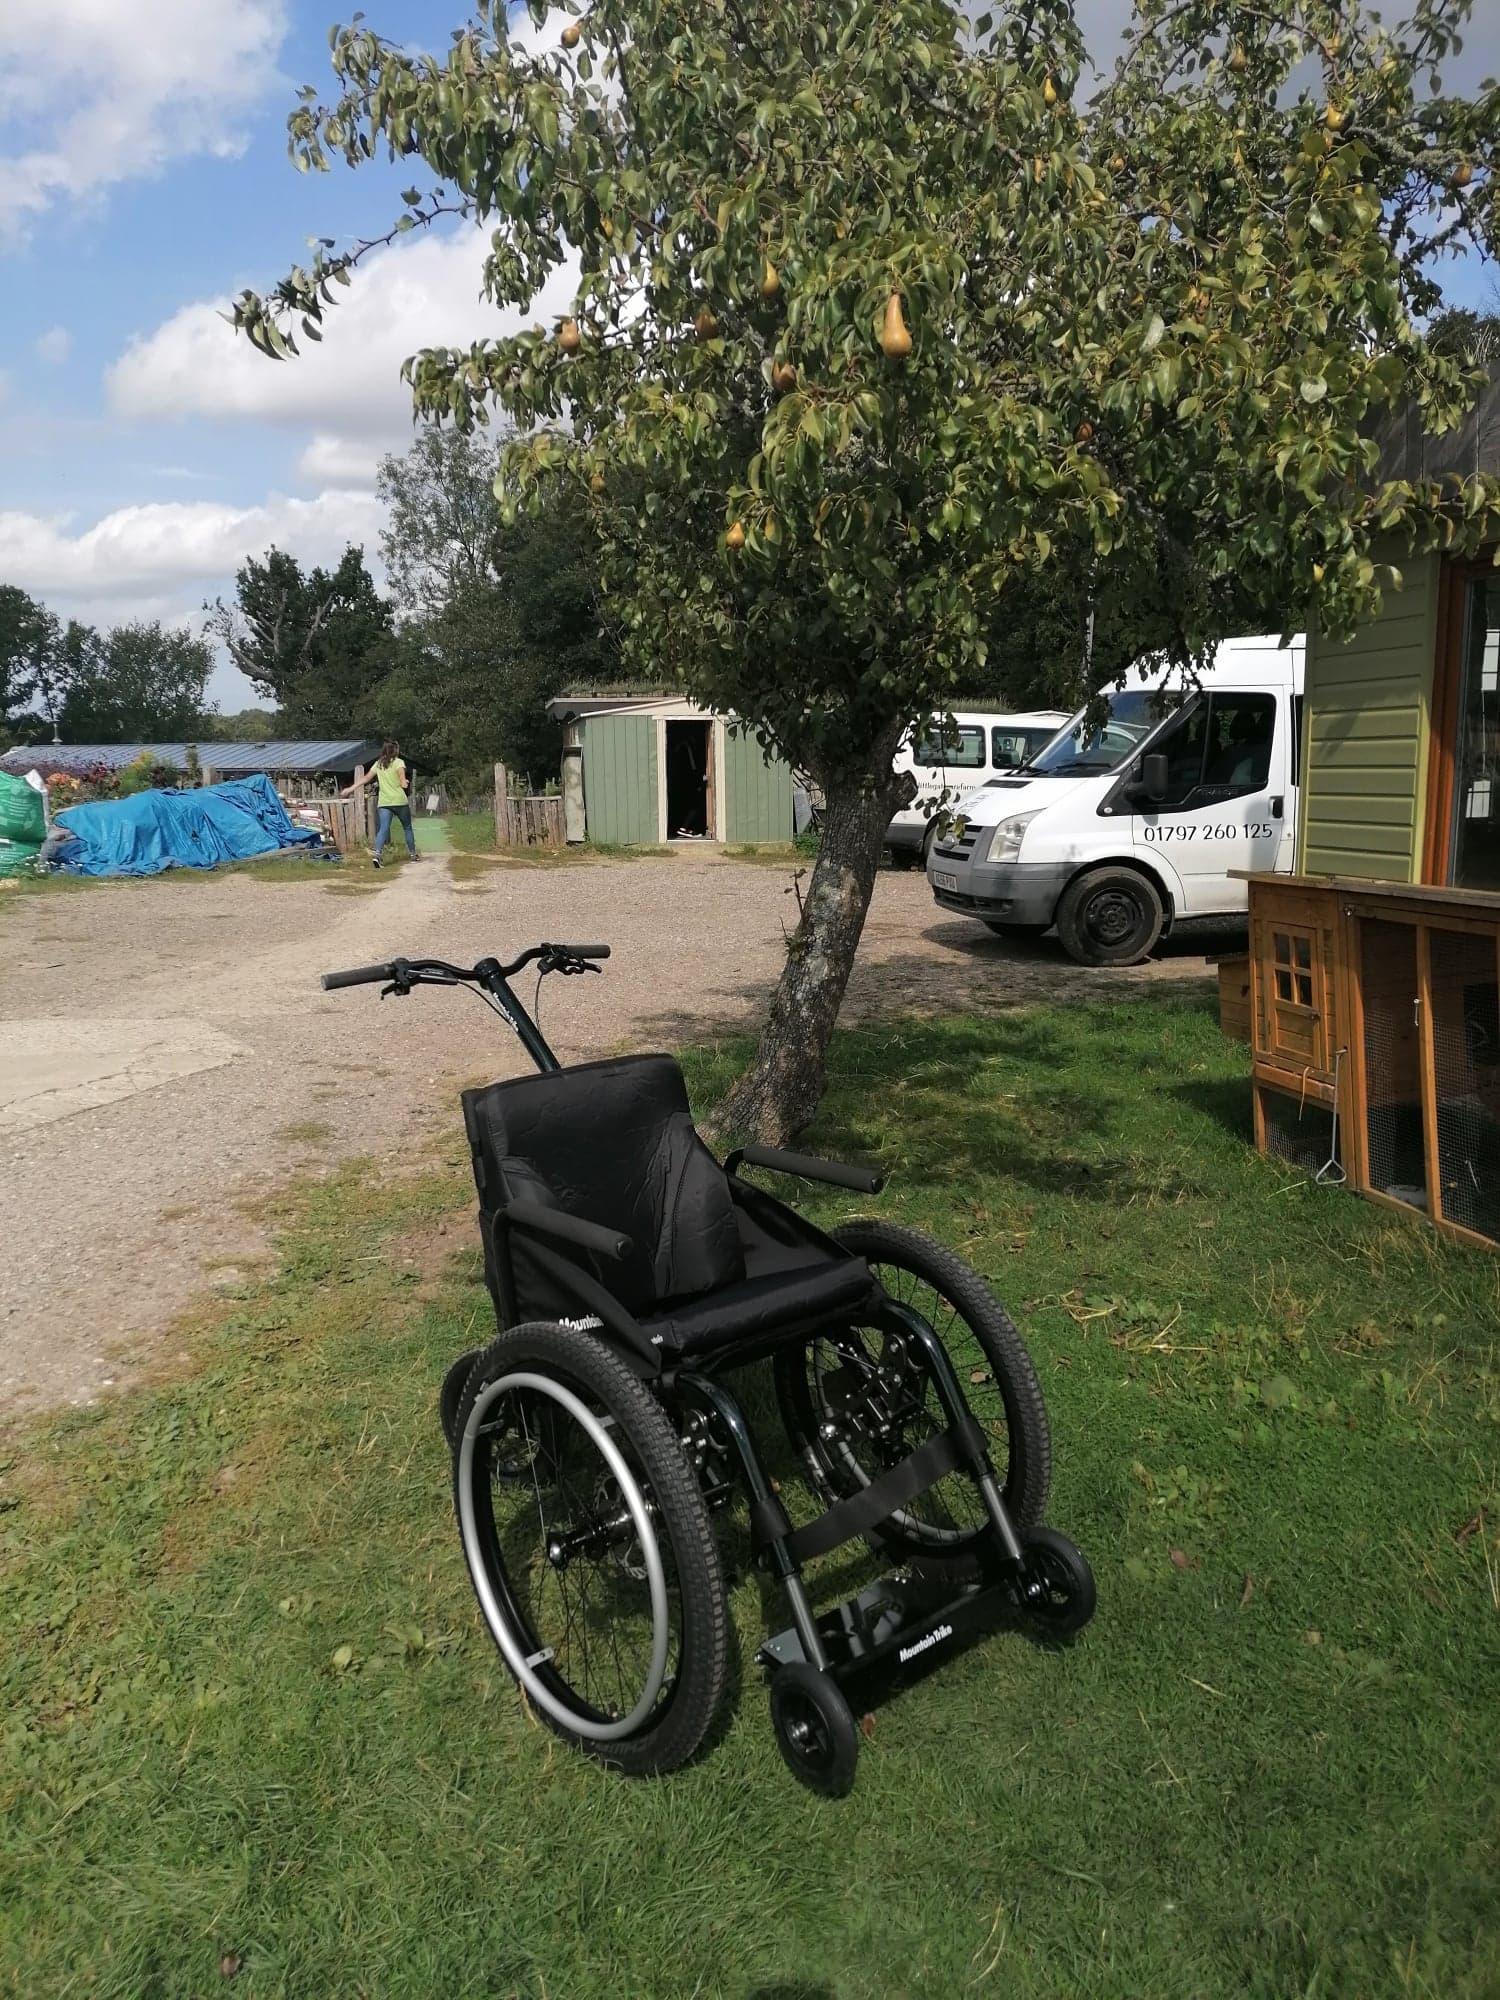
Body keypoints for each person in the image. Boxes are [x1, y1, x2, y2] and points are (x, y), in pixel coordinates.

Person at [345, 740, 418, 867]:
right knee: (407, 827)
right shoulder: (399, 763)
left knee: (383, 828)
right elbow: (402, 783)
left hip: (384, 802)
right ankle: (412, 854)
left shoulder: (378, 764)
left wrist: (350, 789)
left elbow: (366, 778)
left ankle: (377, 855)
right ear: (395, 750)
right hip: (399, 801)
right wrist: (406, 782)